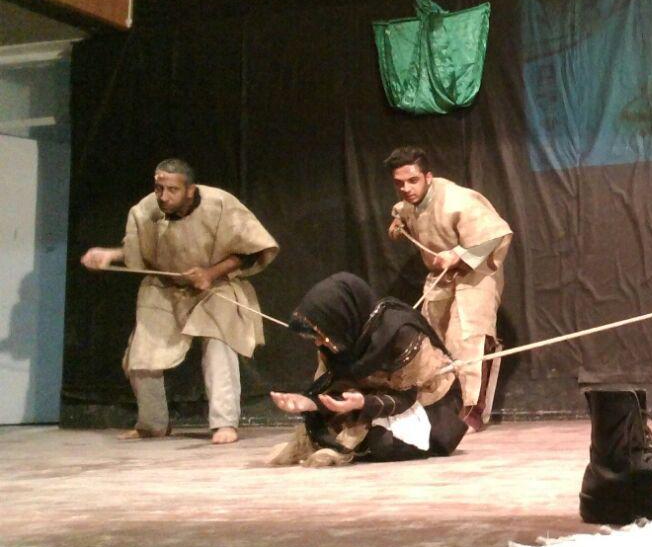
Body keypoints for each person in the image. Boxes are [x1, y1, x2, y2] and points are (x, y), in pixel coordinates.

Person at [80, 158, 278, 444]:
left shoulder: (220, 204)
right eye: (159, 188)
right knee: (142, 353)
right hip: (165, 288)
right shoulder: (145, 210)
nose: (163, 196)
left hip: (215, 286)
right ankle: (152, 424)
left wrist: (210, 273)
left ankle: (224, 423)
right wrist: (109, 255)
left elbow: (251, 249)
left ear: (190, 190)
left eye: (172, 190)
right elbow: (136, 250)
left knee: (219, 344)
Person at [267, 272, 469, 466]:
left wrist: (365, 403)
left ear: (342, 319)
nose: (318, 342)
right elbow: (336, 388)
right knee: (325, 427)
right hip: (368, 399)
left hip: (424, 397)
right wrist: (310, 402)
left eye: (321, 335)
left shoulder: (401, 333)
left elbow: (407, 396)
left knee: (383, 443)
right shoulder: (338, 341)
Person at [385, 146, 513, 430]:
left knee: (468, 336)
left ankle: (472, 411)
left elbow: (497, 233)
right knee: (433, 339)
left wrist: (458, 255)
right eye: (399, 183)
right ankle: (441, 407)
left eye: (413, 180)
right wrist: (399, 222)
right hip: (440, 277)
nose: (406, 189)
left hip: (475, 274)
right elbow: (403, 210)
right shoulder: (409, 201)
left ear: (428, 177)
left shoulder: (458, 200)